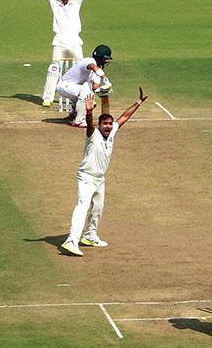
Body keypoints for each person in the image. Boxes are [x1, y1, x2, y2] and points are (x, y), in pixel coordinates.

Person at [61, 87, 148, 257]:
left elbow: (124, 117)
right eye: (105, 124)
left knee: (98, 208)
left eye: (109, 124)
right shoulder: (93, 135)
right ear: (99, 125)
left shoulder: (113, 130)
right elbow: (89, 124)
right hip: (86, 177)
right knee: (82, 207)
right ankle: (72, 240)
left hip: (100, 178)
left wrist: (138, 102)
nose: (108, 126)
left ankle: (90, 235)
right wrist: (88, 111)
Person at [40, 0, 89, 107]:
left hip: (75, 42)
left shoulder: (76, 3)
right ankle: (47, 98)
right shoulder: (56, 5)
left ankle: (85, 95)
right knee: (54, 68)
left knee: (84, 69)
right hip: (60, 42)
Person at [56, 44, 113, 127]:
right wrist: (105, 78)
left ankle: (74, 113)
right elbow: (93, 67)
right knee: (85, 92)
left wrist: (103, 90)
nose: (107, 61)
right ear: (100, 58)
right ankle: (78, 121)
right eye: (106, 59)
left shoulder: (98, 71)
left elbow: (94, 88)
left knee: (91, 100)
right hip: (64, 85)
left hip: (74, 88)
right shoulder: (89, 61)